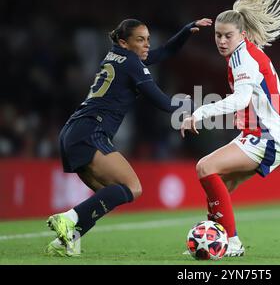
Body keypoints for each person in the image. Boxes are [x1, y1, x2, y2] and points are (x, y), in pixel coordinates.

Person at [45, 17, 212, 257]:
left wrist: (185, 31)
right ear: (124, 42)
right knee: (132, 188)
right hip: (92, 131)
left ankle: (66, 240)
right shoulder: (132, 64)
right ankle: (68, 218)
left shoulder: (115, 56)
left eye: (148, 40)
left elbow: (164, 51)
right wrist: (198, 106)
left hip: (74, 131)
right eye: (140, 40)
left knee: (109, 194)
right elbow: (163, 102)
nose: (146, 45)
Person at [181, 0, 280, 257]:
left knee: (204, 168)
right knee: (223, 185)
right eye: (218, 36)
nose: (222, 41)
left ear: (242, 34)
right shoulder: (243, 54)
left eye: (227, 36)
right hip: (266, 133)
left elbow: (241, 99)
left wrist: (200, 113)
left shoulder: (242, 59)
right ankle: (214, 242)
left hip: (269, 135)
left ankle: (230, 243)